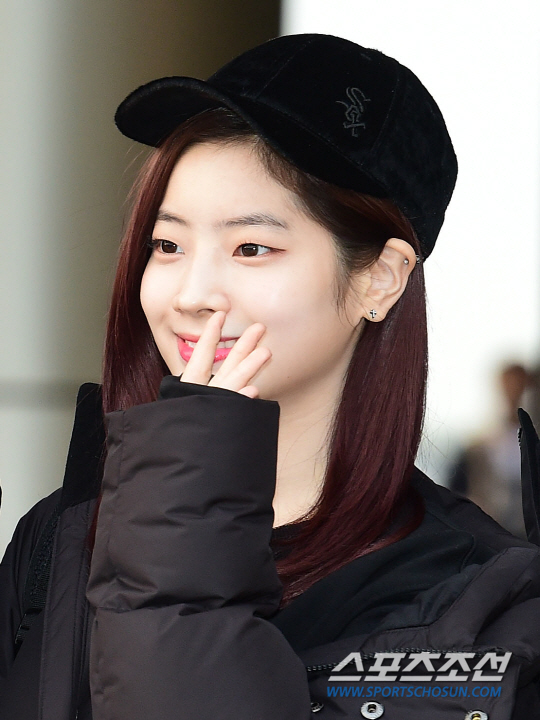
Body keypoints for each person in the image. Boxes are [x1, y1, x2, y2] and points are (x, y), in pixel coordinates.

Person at [1, 33, 540, 720]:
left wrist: (183, 522)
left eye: (251, 248)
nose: (192, 293)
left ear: (379, 279)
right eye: (167, 244)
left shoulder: (481, 603)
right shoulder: (61, 535)